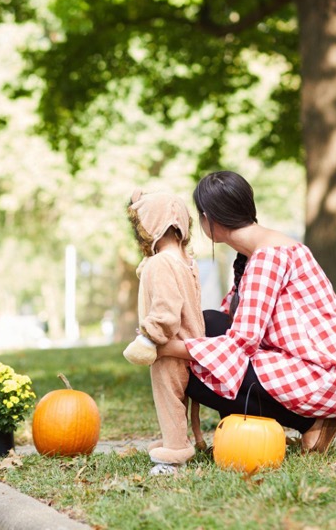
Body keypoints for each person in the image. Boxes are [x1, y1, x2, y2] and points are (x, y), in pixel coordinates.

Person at [155, 171, 336, 453]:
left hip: (329, 375)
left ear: (208, 218)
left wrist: (167, 348)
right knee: (208, 322)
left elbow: (240, 344)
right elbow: (225, 322)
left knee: (196, 377)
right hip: (320, 366)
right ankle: (256, 430)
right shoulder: (256, 252)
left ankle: (310, 423)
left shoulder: (268, 257)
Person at [121, 189, 206, 474]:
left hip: (170, 349)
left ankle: (173, 455)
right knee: (180, 401)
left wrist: (149, 336)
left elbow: (167, 311)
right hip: (191, 346)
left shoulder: (160, 264)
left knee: (169, 401)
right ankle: (186, 440)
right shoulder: (185, 262)